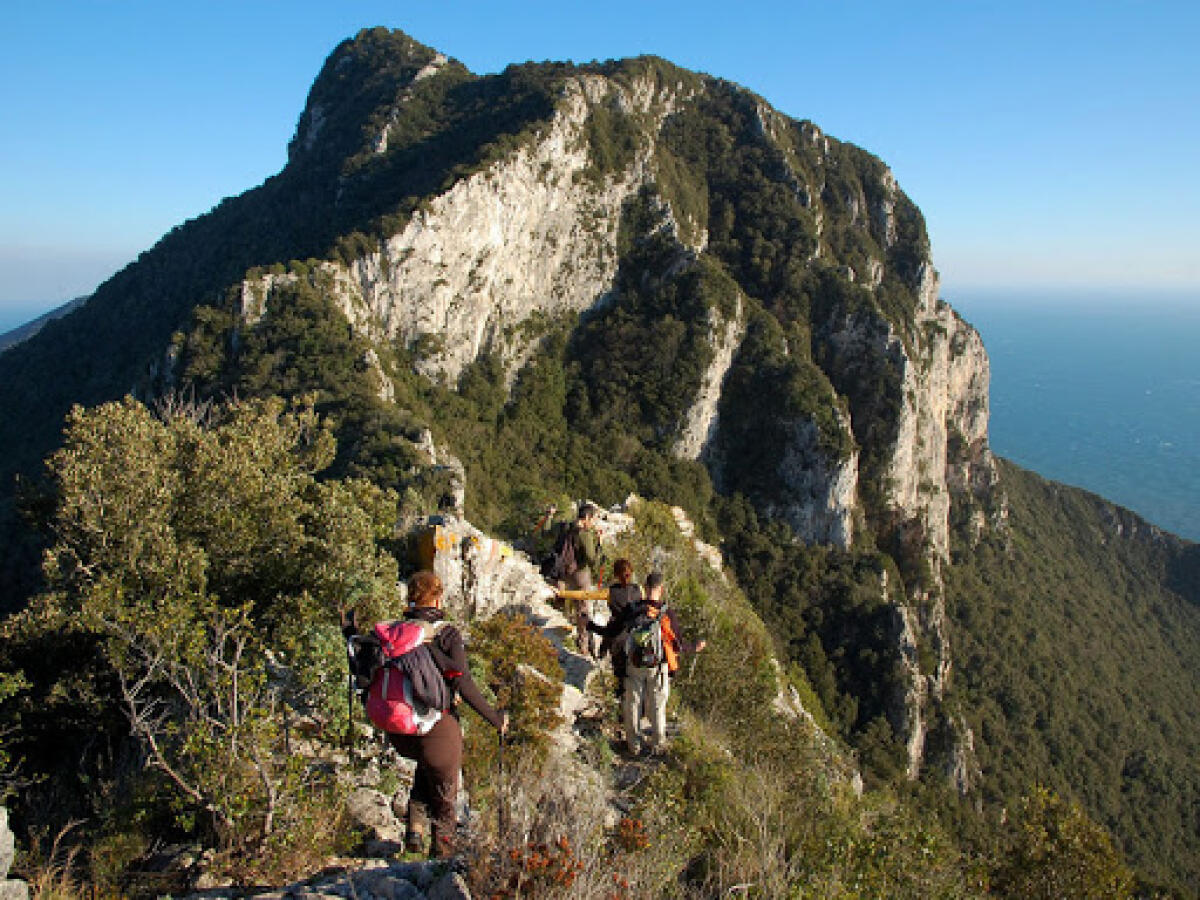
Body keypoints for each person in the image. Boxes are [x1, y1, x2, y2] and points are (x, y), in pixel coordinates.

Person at [383, 570, 508, 858]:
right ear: (438, 598)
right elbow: (462, 680)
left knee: (426, 763)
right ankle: (442, 860)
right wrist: (494, 718)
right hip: (436, 721)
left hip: (399, 727)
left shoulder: (399, 631)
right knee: (445, 794)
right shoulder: (445, 632)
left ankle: (414, 826)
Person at [583, 572, 705, 756]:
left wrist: (590, 625)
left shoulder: (633, 609)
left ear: (644, 588)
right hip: (657, 667)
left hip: (634, 664)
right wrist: (695, 647)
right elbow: (677, 645)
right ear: (661, 589)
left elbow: (612, 631)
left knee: (632, 702)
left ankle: (634, 745)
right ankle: (657, 745)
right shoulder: (666, 613)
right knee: (657, 705)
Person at [584, 558, 641, 698]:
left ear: (615, 574)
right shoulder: (638, 591)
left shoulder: (610, 593)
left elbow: (585, 594)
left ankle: (621, 709)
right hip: (636, 638)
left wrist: (561, 593)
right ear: (631, 573)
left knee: (620, 679)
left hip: (618, 641)